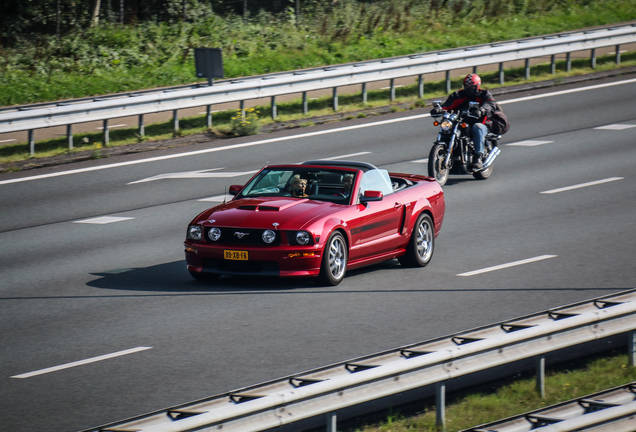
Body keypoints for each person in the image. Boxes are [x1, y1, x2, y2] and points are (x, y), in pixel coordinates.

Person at [430, 73, 497, 169]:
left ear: (477, 86)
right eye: (466, 87)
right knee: (447, 128)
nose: (468, 89)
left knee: (477, 128)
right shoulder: (458, 95)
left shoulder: (484, 95)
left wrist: (481, 110)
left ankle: (478, 157)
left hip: (479, 122)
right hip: (461, 121)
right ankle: (450, 155)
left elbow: (490, 104)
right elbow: (448, 105)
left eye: (472, 87)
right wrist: (439, 109)